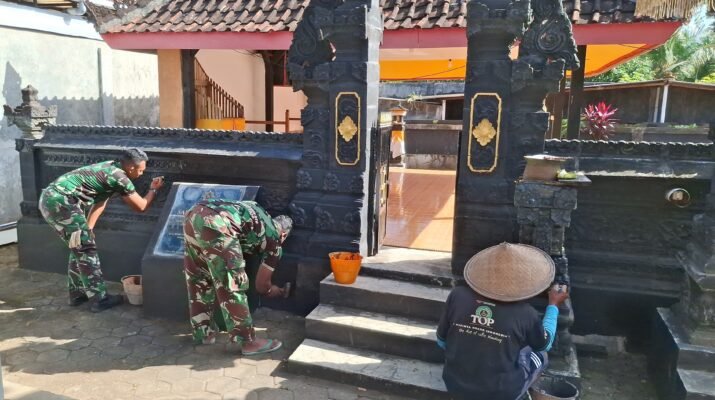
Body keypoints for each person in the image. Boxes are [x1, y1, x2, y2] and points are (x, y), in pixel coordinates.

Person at [436, 242, 569, 400]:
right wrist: (553, 305)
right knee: (540, 355)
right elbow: (545, 344)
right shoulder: (525, 313)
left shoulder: (457, 296)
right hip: (500, 393)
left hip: (454, 384)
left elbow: (442, 341)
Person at [39, 148, 165, 312]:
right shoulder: (120, 178)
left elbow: (101, 202)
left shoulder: (109, 168)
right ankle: (100, 299)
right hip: (61, 203)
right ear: (131, 167)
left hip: (51, 199)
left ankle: (78, 294)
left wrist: (89, 227)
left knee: (78, 245)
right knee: (86, 249)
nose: (142, 174)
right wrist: (153, 189)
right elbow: (141, 206)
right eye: (141, 170)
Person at [183, 199, 292, 356]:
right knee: (232, 282)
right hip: (218, 223)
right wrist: (273, 291)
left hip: (194, 213)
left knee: (199, 278)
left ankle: (203, 333)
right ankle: (248, 342)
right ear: (284, 234)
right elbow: (261, 286)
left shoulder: (257, 209)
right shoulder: (275, 240)